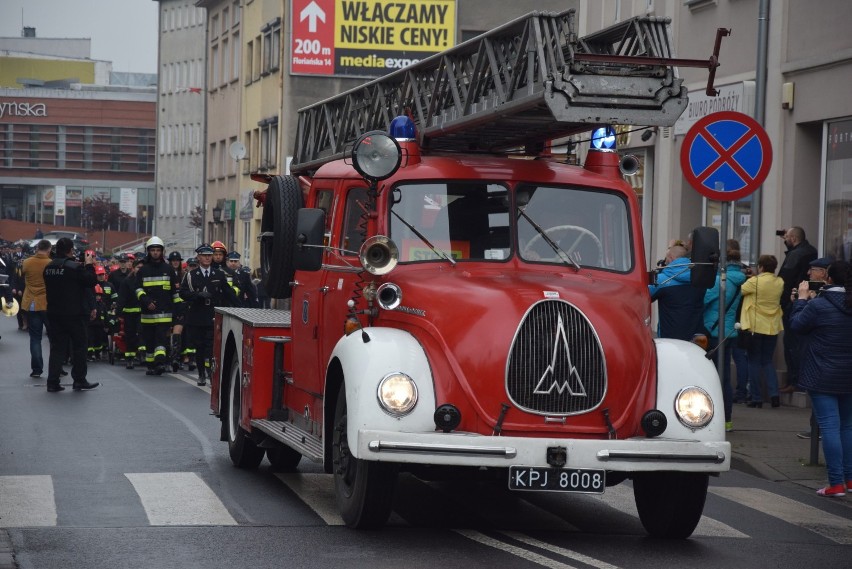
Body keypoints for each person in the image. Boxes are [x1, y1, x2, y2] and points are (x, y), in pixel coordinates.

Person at [789, 260, 852, 497]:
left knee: (830, 427)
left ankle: (835, 483)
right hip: (848, 374)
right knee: (847, 427)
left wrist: (802, 301)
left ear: (828, 279)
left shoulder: (819, 305)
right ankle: (850, 479)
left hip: (822, 373)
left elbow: (796, 326)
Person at [42, 238, 99, 392]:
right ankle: (79, 380)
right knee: (79, 347)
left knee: (57, 348)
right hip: (74, 314)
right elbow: (91, 281)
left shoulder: (48, 268)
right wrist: (89, 265)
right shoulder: (74, 268)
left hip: (54, 313)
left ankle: (52, 382)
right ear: (70, 250)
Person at [702, 248, 747, 432]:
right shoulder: (740, 279)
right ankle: (727, 419)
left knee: (712, 377)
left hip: (714, 332)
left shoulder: (721, 280)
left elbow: (704, 300)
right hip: (728, 332)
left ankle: (714, 419)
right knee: (726, 377)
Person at [180, 244, 238, 386]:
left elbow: (228, 292)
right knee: (199, 347)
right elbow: (182, 293)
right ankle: (201, 373)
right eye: (204, 255)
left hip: (213, 316)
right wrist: (197, 295)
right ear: (199, 257)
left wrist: (240, 306)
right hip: (197, 317)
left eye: (209, 255)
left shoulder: (218, 274)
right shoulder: (190, 275)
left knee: (212, 347)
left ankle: (211, 373)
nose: (207, 258)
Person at [739, 254, 784, 408]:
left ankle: (756, 397)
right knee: (767, 361)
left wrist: (751, 276)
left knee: (753, 362)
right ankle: (774, 395)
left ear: (761, 267)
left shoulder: (754, 282)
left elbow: (742, 290)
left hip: (756, 326)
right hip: (773, 326)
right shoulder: (780, 282)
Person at [777, 227, 817, 393]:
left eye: (786, 237)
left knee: (792, 343)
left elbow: (784, 281)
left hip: (793, 302)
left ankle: (795, 381)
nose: (784, 239)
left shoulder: (795, 255)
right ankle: (800, 380)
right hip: (806, 299)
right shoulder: (810, 251)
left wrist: (782, 303)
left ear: (793, 238)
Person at [135, 237, 182, 375]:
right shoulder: (143, 270)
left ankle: (160, 363)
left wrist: (179, 310)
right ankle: (151, 365)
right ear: (148, 252)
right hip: (147, 314)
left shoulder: (168, 270)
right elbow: (137, 289)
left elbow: (174, 293)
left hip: (164, 313)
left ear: (162, 252)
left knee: (161, 339)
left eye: (158, 250)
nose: (155, 253)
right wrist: (146, 300)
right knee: (149, 341)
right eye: (153, 250)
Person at [649, 244, 704, 340]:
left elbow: (645, 296)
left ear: (671, 258)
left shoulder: (662, 280)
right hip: (695, 337)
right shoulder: (698, 278)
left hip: (669, 337)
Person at [20, 239, 53, 378]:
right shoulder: (50, 263)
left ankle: (37, 369)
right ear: (49, 249)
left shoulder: (26, 262)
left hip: (32, 302)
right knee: (54, 337)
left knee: (35, 338)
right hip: (47, 303)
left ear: (37, 248)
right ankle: (57, 367)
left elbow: (21, 276)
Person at [116, 258, 145, 369]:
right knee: (130, 335)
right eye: (138, 267)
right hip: (129, 313)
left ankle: (142, 354)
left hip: (142, 312)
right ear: (133, 268)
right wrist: (119, 312)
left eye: (142, 268)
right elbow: (122, 298)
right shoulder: (127, 281)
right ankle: (129, 358)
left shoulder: (146, 280)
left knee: (142, 332)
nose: (140, 270)